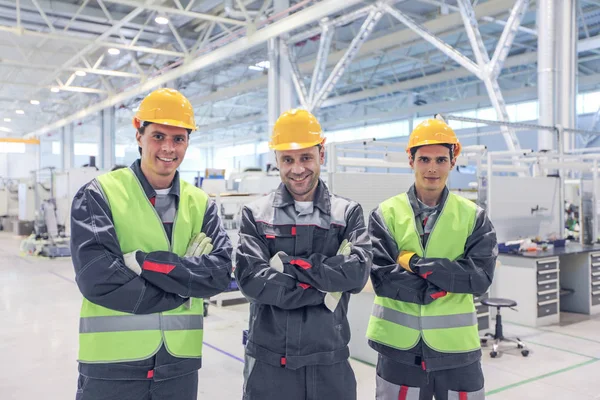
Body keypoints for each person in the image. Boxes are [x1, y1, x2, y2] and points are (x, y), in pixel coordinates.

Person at [70, 88, 233, 400]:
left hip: (178, 366)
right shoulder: (98, 195)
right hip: (112, 365)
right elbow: (99, 280)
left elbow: (220, 273)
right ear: (138, 133)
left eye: (178, 139)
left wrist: (145, 263)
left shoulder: (201, 204)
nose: (168, 148)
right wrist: (184, 287)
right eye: (158, 136)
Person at [235, 109, 373, 400]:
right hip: (270, 365)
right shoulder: (255, 214)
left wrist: (288, 269)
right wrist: (325, 290)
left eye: (305, 158)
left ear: (321, 154)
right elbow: (252, 282)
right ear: (277, 160)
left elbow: (358, 274)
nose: (297, 169)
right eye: (288, 159)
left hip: (330, 362)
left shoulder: (347, 213)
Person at [366, 117, 497, 400]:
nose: (433, 168)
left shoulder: (474, 217)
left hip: (457, 351)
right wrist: (444, 282)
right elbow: (382, 280)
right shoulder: (384, 214)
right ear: (411, 160)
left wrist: (414, 263)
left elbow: (479, 278)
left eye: (440, 159)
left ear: (453, 161)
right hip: (398, 349)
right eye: (424, 159)